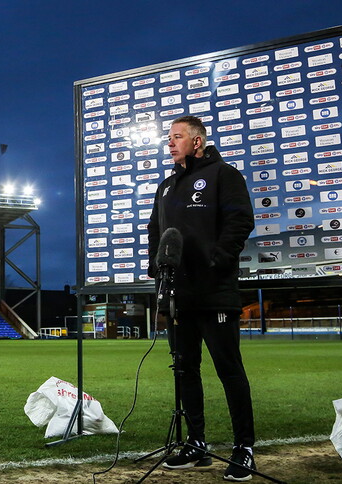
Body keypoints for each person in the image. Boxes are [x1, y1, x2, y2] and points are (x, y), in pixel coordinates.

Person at [147, 115, 257, 481]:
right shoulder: (165, 187)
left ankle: (244, 448)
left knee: (229, 370)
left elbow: (240, 221)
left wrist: (216, 261)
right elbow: (155, 231)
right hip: (177, 297)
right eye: (168, 137)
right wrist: (156, 268)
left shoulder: (224, 174)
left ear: (197, 142)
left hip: (215, 293)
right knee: (184, 370)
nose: (170, 142)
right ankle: (196, 444)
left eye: (177, 137)